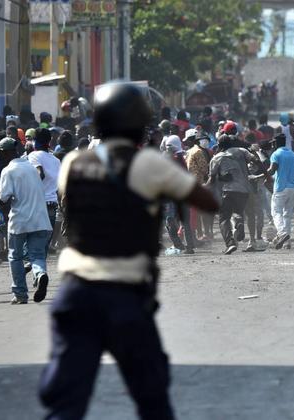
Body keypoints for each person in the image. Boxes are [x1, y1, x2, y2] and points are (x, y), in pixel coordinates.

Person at [38, 83, 218, 419]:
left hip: (76, 293)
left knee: (65, 404)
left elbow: (76, 202)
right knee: (152, 401)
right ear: (141, 125)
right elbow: (207, 200)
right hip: (126, 296)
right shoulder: (149, 165)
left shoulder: (74, 162)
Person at [0, 138, 53, 304]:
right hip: (41, 219)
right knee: (36, 255)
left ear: (6, 153)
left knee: (15, 256)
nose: (1, 157)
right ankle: (40, 274)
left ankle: (20, 294)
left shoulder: (8, 170)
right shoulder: (32, 167)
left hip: (20, 220)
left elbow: (3, 197)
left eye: (1, 154)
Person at [207, 135, 256, 254]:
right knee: (238, 212)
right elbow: (256, 160)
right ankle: (238, 220)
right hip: (245, 190)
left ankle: (230, 243)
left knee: (224, 218)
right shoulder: (241, 151)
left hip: (228, 190)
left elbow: (212, 179)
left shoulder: (217, 158)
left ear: (219, 145)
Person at [27, 128, 61, 252]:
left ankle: (31, 265)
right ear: (49, 141)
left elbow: (40, 173)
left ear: (35, 141)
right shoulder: (56, 160)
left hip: (38, 204)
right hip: (52, 204)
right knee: (44, 243)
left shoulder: (33, 156)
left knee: (32, 242)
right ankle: (40, 269)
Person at [267, 133, 294, 249]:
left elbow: (272, 170)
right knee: (287, 215)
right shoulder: (293, 155)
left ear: (276, 143)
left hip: (280, 187)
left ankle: (282, 233)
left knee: (276, 212)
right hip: (293, 188)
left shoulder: (276, 154)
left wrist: (262, 173)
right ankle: (287, 242)